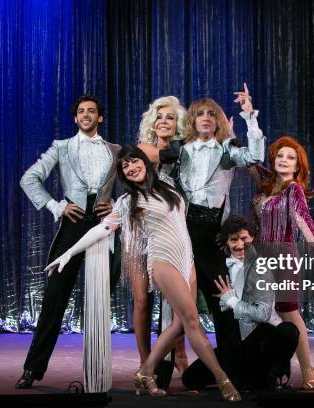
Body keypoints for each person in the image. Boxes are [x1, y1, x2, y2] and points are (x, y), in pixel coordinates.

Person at [45, 146, 242, 402]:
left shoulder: (168, 185)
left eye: (133, 161)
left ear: (145, 163)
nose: (130, 168)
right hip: (162, 261)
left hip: (187, 260)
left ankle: (146, 372)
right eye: (125, 167)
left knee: (181, 324)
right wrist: (69, 252)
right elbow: (102, 229)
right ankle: (223, 379)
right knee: (192, 321)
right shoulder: (128, 202)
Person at [16, 95, 121, 389]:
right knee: (54, 298)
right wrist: (56, 206)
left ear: (100, 117)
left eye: (92, 111)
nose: (86, 115)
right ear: (76, 118)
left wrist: (116, 205)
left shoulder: (115, 150)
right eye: (81, 112)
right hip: (73, 224)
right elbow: (29, 179)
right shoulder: (61, 147)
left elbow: (138, 180)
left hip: (102, 226)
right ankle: (32, 369)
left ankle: (97, 374)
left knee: (100, 298)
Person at [177, 84, 264, 382]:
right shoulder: (182, 150)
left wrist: (249, 116)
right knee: (178, 307)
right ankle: (165, 370)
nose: (205, 118)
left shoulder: (227, 150)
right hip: (183, 232)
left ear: (218, 121)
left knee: (222, 303)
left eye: (211, 114)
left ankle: (234, 367)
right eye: (200, 114)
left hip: (211, 234)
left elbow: (253, 157)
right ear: (192, 120)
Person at [182, 215, 300, 391]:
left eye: (244, 238)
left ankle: (269, 376)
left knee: (289, 331)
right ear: (226, 242)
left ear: (252, 238)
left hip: (260, 341)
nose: (239, 245)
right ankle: (243, 377)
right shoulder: (220, 268)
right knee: (190, 379)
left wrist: (232, 300)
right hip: (233, 347)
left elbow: (262, 314)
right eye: (234, 240)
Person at [250, 136, 314, 390]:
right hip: (259, 257)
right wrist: (248, 117)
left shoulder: (294, 190)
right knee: (263, 316)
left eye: (290, 158)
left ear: (297, 167)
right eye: (280, 155)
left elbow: (303, 220)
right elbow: (250, 160)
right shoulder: (265, 186)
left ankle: (307, 369)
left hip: (283, 256)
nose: (284, 160)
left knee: (289, 313)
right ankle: (268, 370)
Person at [130, 96, 189, 378]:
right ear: (152, 122)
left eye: (170, 118)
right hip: (141, 229)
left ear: (179, 124)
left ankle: (179, 351)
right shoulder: (145, 149)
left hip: (170, 229)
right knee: (142, 300)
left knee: (175, 298)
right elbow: (139, 164)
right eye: (159, 117)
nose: (163, 122)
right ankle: (146, 363)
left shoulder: (185, 151)